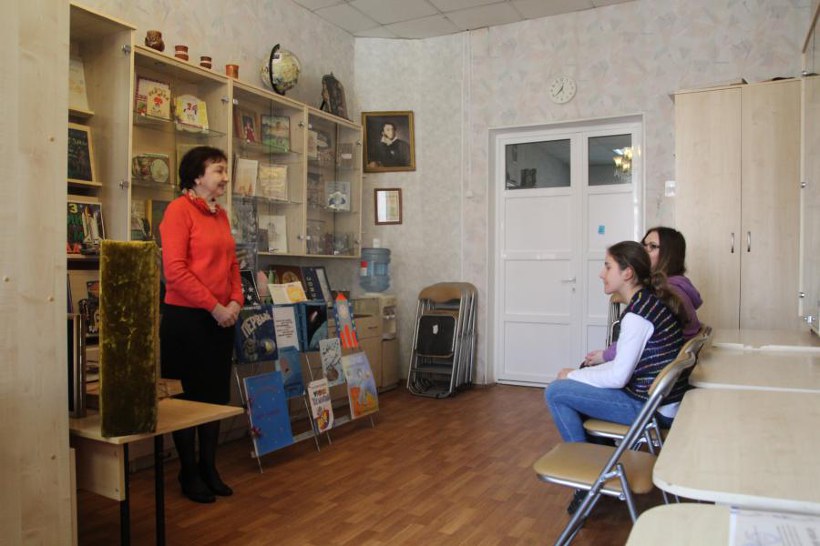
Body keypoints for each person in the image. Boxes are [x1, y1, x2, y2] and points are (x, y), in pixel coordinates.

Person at [159, 146, 243, 504]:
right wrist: (215, 307)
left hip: (220, 319)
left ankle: (210, 467)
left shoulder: (220, 214)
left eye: (225, 170)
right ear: (196, 176)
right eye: (218, 170)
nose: (225, 177)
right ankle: (189, 471)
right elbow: (175, 271)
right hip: (187, 320)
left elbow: (232, 264)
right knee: (187, 399)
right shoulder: (178, 211)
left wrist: (235, 301)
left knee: (215, 398)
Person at [584, 226, 703, 366]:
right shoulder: (677, 285)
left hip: (662, 365)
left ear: (670, 254)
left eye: (652, 246)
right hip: (672, 364)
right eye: (644, 245)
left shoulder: (667, 292)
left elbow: (637, 339)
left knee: (583, 368)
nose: (644, 250)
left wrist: (605, 355)